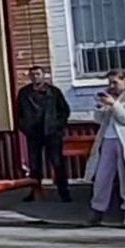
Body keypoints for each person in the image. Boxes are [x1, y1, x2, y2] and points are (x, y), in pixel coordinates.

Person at [86, 69, 125, 228]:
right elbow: (99, 120)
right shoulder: (110, 97)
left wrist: (115, 104)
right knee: (102, 177)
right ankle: (97, 210)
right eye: (109, 83)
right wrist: (101, 106)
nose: (112, 86)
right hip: (108, 139)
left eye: (115, 82)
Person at [14, 65, 73, 201]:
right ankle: (35, 192)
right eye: (33, 75)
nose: (35, 77)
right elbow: (18, 114)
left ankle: (64, 192)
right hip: (33, 134)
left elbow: (64, 111)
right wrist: (25, 127)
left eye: (38, 74)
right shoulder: (24, 93)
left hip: (52, 133)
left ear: (44, 75)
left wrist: (57, 127)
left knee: (57, 163)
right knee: (34, 165)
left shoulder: (54, 92)